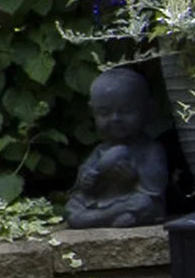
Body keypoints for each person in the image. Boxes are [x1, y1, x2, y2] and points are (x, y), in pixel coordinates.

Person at [65, 67, 167, 228]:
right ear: (93, 112)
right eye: (104, 113)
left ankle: (91, 219)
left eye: (126, 111)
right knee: (72, 206)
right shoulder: (100, 150)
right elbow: (83, 186)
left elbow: (154, 192)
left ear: (148, 110)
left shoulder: (150, 150)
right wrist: (86, 179)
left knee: (144, 204)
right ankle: (107, 217)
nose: (115, 119)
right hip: (103, 201)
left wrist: (132, 178)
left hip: (130, 201)